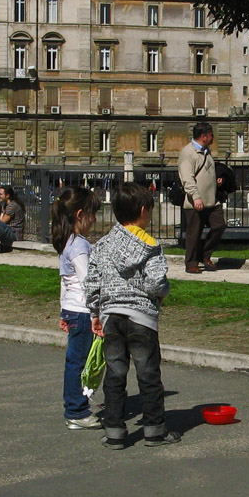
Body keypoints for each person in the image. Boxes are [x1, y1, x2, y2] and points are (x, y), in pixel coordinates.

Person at [84, 182, 180, 450]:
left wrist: (95, 312)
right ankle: (154, 430)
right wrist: (163, 293)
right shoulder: (150, 245)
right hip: (141, 319)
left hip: (111, 316)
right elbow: (155, 284)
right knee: (148, 375)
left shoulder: (102, 245)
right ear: (142, 211)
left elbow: (92, 283)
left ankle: (114, 430)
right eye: (150, 211)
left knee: (115, 375)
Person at [51, 186, 102, 430]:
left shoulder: (66, 241)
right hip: (83, 313)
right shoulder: (80, 245)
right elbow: (87, 282)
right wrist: (96, 314)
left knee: (76, 361)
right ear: (80, 215)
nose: (94, 220)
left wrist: (63, 311)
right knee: (80, 363)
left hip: (73, 310)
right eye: (92, 214)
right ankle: (77, 411)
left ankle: (77, 406)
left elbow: (65, 282)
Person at [177, 121, 226, 273]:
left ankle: (205, 255)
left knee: (219, 225)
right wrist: (196, 196)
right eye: (211, 135)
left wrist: (215, 182)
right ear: (204, 137)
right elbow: (187, 177)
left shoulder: (206, 151)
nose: (213, 138)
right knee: (194, 233)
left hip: (212, 200)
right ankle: (191, 263)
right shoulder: (188, 153)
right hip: (195, 202)